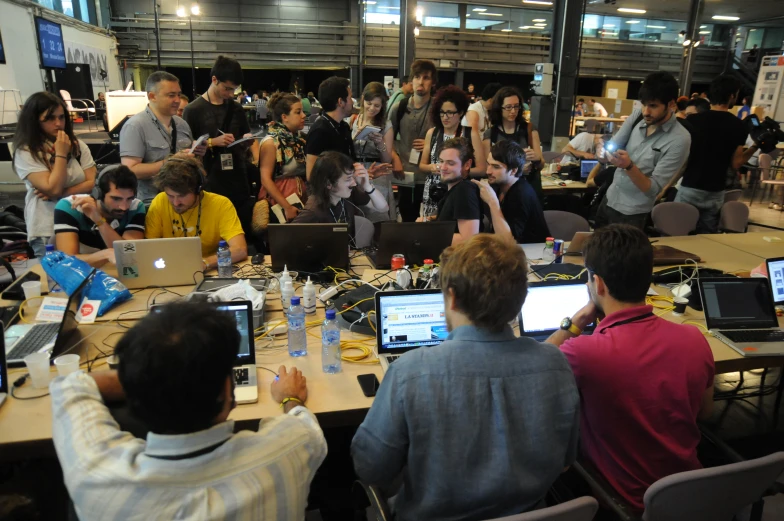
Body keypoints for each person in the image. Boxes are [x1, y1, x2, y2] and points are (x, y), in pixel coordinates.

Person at [352, 234, 580, 521]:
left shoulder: (409, 372)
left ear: (453, 298)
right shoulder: (556, 364)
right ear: (521, 300)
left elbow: (370, 468)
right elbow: (565, 462)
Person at [51, 301, 327, 520]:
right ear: (225, 391)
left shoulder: (93, 473)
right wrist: (289, 398)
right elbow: (305, 424)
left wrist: (152, 377)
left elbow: (71, 385)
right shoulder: (290, 448)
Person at [545, 224, 714, 513]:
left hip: (621, 504)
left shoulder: (583, 352)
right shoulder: (694, 339)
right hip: (688, 495)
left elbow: (537, 365)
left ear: (597, 284)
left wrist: (575, 323)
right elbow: (705, 413)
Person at [595, 71, 691, 230]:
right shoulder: (638, 116)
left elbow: (652, 189)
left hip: (633, 214)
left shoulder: (680, 139)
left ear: (672, 104)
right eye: (644, 104)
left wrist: (629, 166)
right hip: (609, 199)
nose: (646, 111)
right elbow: (612, 147)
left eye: (653, 106)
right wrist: (602, 152)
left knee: (622, 254)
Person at [12, 92, 97, 258]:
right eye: (50, 118)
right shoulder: (26, 152)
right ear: (35, 121)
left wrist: (62, 193)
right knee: (54, 278)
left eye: (61, 117)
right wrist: (61, 153)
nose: (58, 123)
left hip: (80, 224)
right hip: (47, 227)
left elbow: (90, 183)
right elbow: (54, 187)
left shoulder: (78, 146)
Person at [675, 75, 758, 233]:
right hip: (715, 190)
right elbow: (736, 163)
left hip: (690, 185)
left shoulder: (692, 121)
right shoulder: (738, 126)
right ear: (732, 96)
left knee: (679, 231)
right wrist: (755, 146)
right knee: (706, 237)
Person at [183, 56, 255, 232]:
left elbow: (244, 135)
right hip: (210, 180)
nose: (230, 94)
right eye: (227, 88)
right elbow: (186, 149)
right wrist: (212, 142)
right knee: (214, 231)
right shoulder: (193, 110)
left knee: (241, 229)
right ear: (214, 80)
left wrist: (246, 142)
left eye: (234, 90)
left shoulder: (236, 108)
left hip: (238, 179)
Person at [145, 153, 247, 270]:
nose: (176, 202)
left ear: (198, 189)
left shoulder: (221, 204)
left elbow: (240, 250)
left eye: (182, 196)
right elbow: (149, 249)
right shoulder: (159, 201)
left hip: (208, 271)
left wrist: (205, 263)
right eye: (170, 196)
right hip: (168, 269)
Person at [120, 71, 202, 205]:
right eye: (171, 95)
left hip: (184, 201)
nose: (177, 100)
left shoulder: (181, 124)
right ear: (152, 96)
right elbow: (130, 171)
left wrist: (197, 153)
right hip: (152, 203)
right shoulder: (135, 126)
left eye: (178, 94)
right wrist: (172, 161)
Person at [54, 165, 145, 265]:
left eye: (129, 199)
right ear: (98, 194)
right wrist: (105, 254)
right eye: (116, 199)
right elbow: (67, 261)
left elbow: (128, 255)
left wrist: (99, 220)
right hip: (82, 274)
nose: (123, 207)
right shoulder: (69, 206)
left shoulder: (136, 207)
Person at [418, 86, 487, 219]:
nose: (445, 117)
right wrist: (432, 167)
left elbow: (482, 169)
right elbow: (422, 166)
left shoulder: (470, 133)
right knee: (430, 229)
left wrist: (456, 171)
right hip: (433, 190)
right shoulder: (432, 133)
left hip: (459, 190)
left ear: (460, 112)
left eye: (450, 112)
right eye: (442, 112)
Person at [292, 151, 388, 243]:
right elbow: (287, 238)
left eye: (352, 177)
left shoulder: (347, 194)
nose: (354, 183)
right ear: (329, 184)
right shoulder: (314, 211)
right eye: (348, 179)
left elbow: (383, 208)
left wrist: (366, 186)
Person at [474, 140, 549, 244]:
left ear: (513, 171)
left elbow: (508, 242)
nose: (488, 171)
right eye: (488, 164)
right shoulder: (498, 185)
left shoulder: (521, 194)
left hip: (533, 254)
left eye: (496, 167)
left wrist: (492, 202)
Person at [389, 59, 437, 222]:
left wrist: (431, 144)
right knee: (408, 220)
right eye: (417, 77)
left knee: (430, 222)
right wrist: (394, 158)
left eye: (426, 77)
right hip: (406, 175)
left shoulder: (438, 109)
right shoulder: (399, 107)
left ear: (433, 82)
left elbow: (450, 138)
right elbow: (386, 138)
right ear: (411, 80)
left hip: (431, 176)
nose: (421, 82)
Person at [482, 86, 544, 201]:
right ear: (499, 108)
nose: (513, 111)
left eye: (516, 106)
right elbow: (488, 169)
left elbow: (541, 165)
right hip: (502, 191)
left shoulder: (529, 129)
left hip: (528, 188)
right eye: (508, 107)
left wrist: (537, 159)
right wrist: (517, 170)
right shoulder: (491, 134)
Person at [351, 82, 398, 223]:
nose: (372, 108)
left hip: (377, 174)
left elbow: (387, 160)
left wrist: (380, 143)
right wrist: (354, 137)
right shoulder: (353, 120)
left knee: (377, 219)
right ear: (363, 99)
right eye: (369, 103)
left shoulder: (385, 124)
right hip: (356, 172)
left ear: (383, 105)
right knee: (357, 219)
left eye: (377, 106)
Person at [422, 137, 482, 245]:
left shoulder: (464, 190)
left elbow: (469, 239)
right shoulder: (454, 190)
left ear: (467, 165)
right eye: (441, 161)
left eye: (450, 163)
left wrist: (425, 233)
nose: (443, 168)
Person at [258, 92, 308, 222]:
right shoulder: (271, 142)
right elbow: (265, 179)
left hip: (300, 199)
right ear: (284, 117)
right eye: (298, 112)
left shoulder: (298, 140)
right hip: (280, 205)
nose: (303, 115)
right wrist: (287, 207)